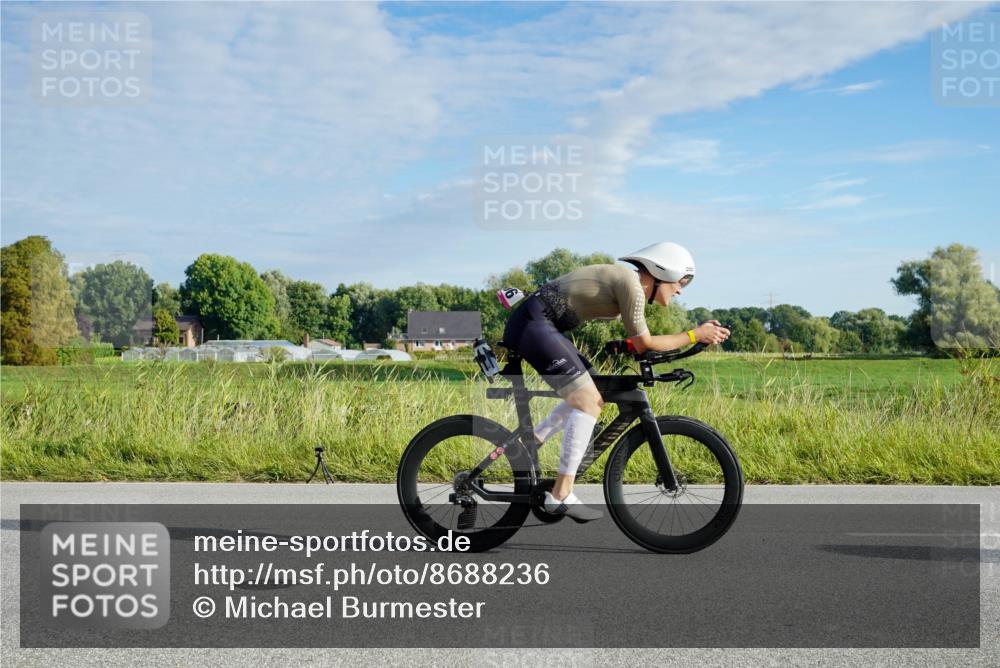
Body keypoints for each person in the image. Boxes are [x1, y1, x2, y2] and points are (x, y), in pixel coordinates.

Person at [501, 242, 731, 522]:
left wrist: (626, 345)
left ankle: (530, 443)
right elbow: (645, 343)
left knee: (593, 391)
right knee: (588, 401)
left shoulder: (629, 285)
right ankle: (560, 494)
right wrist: (695, 335)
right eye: (681, 282)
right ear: (662, 273)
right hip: (534, 325)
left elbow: (638, 342)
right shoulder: (631, 285)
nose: (681, 290)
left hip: (541, 325)